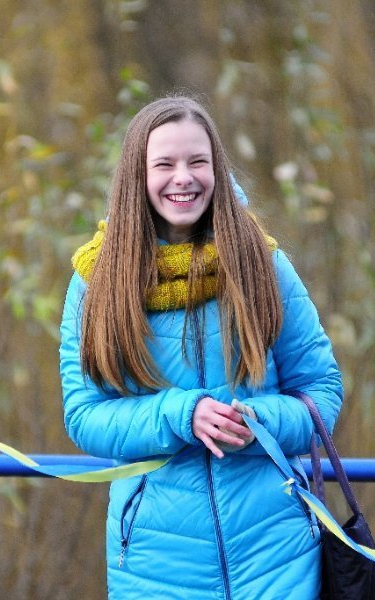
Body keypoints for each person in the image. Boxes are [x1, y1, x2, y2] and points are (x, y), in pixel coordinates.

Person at [59, 95, 344, 599]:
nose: (183, 178)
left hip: (278, 557)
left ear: (216, 167)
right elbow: (84, 415)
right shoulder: (97, 281)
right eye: (164, 164)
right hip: (153, 565)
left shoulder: (263, 264)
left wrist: (258, 423)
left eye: (197, 161)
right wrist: (179, 415)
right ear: (136, 175)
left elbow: (321, 391)